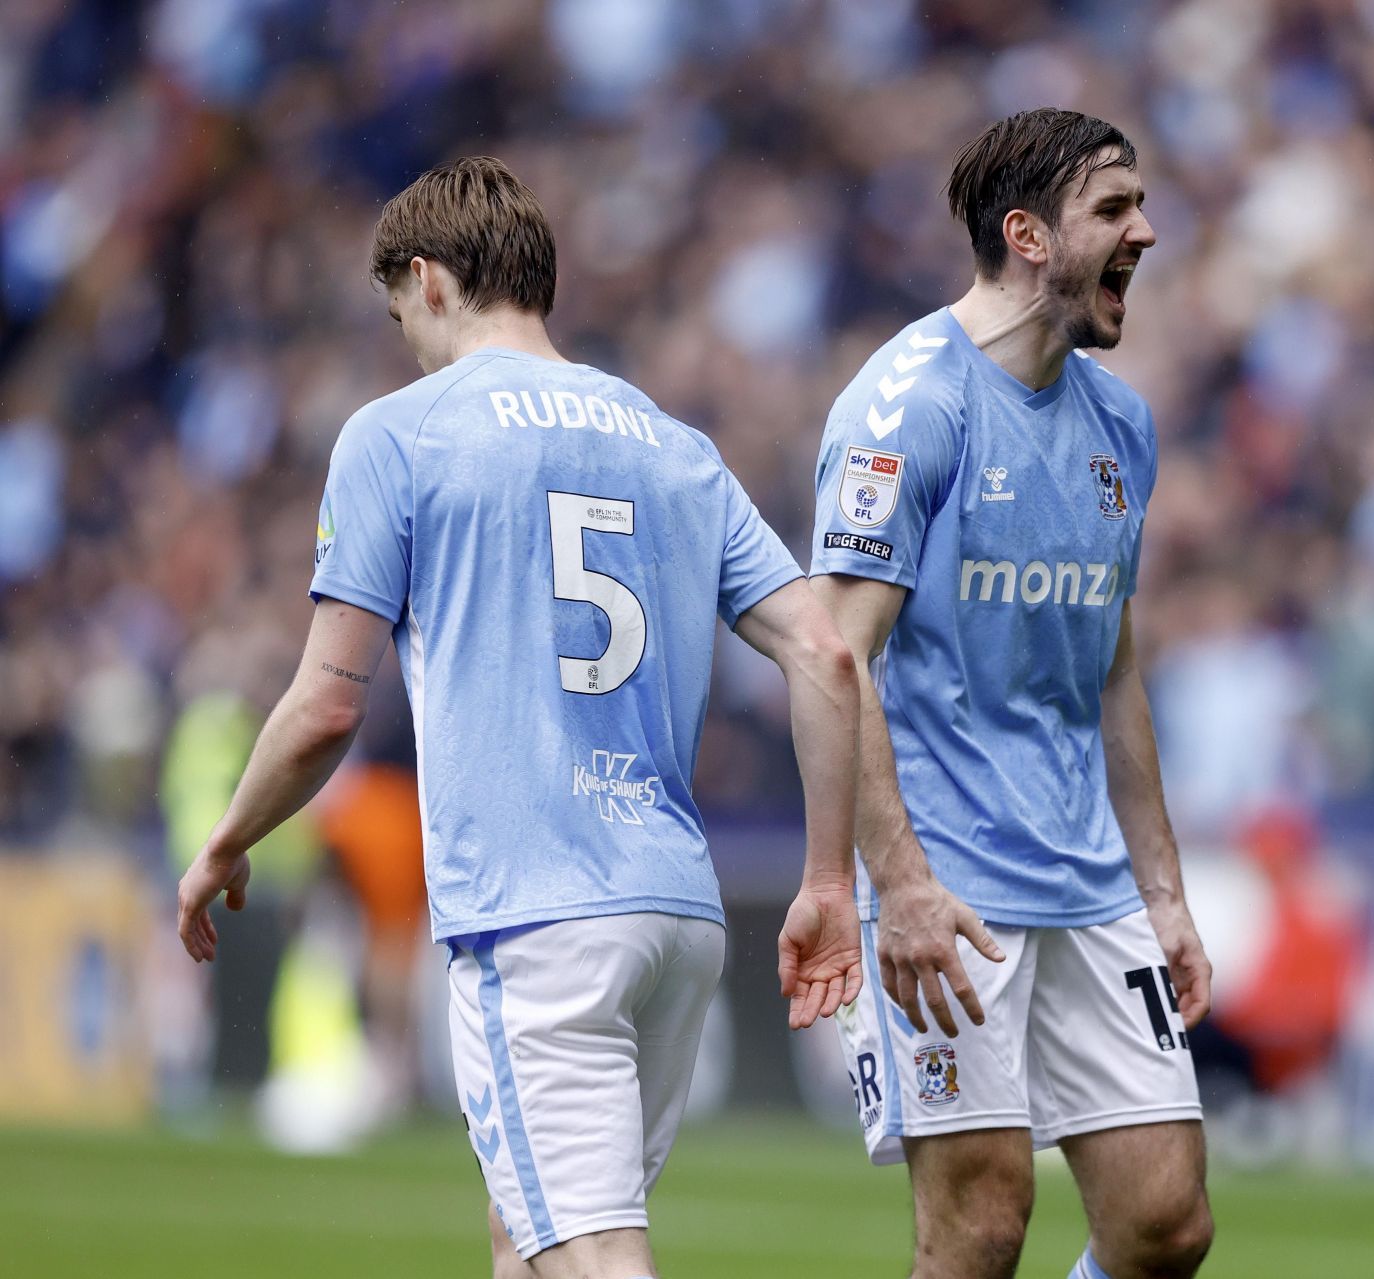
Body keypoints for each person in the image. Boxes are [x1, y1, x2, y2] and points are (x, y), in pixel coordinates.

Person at [176, 156, 862, 1279]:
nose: (405, 337)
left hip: (538, 912)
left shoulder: (398, 435)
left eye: (400, 310)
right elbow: (826, 651)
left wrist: (227, 838)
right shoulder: (677, 445)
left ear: (430, 279)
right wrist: (828, 880)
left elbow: (323, 706)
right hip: (677, 913)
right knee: (527, 1237)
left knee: (588, 1253)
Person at [810, 109, 1215, 1279]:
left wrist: (1165, 891)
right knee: (980, 1232)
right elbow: (839, 658)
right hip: (949, 884)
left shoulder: (1121, 427)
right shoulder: (908, 406)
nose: (1147, 230)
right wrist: (897, 881)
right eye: (1115, 209)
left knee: (1165, 1224)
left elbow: (1115, 665)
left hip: (1088, 879)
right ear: (1028, 234)